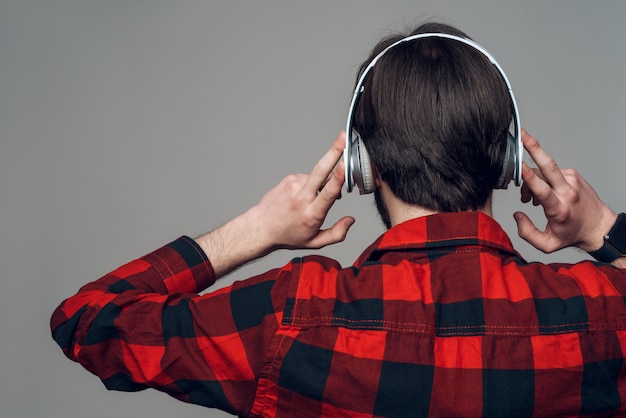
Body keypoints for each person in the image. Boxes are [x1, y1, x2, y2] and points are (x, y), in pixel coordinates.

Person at [51, 21, 626, 417]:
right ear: (506, 162)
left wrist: (255, 231)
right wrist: (601, 227)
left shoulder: (292, 315)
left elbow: (89, 321)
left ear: (361, 164)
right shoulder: (601, 312)